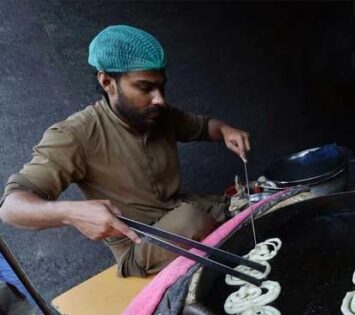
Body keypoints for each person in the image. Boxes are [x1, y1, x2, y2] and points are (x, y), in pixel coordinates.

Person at [0, 25, 251, 277]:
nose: (159, 99)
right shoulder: (74, 134)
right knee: (192, 221)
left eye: (161, 87)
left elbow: (205, 127)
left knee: (245, 204)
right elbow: (11, 207)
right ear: (107, 82)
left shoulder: (157, 113)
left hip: (186, 211)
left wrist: (226, 131)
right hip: (141, 244)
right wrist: (69, 213)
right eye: (144, 87)